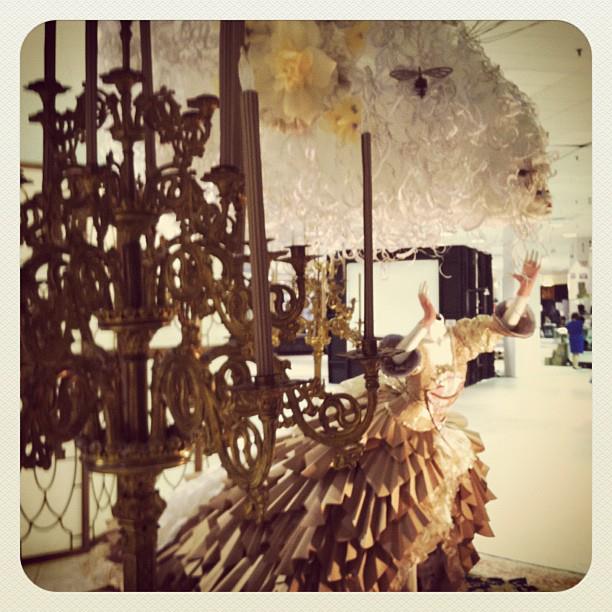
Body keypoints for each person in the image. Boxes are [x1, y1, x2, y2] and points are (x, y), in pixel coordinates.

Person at [157, 254, 540, 592]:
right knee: (385, 511)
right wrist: (423, 325)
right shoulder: (420, 347)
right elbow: (398, 358)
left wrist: (524, 293)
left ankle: (423, 581)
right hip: (397, 433)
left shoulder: (461, 340)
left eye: (437, 321)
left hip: (437, 436)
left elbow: (501, 326)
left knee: (434, 512)